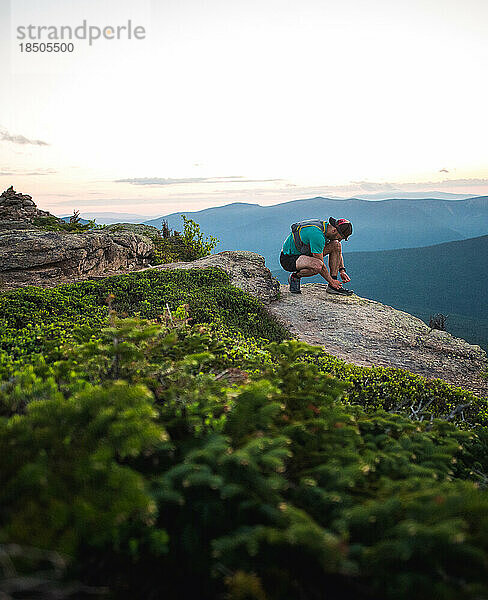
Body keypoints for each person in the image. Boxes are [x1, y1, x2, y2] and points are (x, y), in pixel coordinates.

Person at [279, 217, 353, 295]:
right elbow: (320, 263)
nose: (340, 239)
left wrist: (342, 270)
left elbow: (337, 251)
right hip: (289, 258)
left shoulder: (327, 228)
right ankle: (295, 277)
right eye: (339, 237)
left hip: (303, 253)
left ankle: (333, 287)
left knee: (336, 245)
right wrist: (331, 282)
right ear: (334, 230)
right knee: (317, 266)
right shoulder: (317, 235)